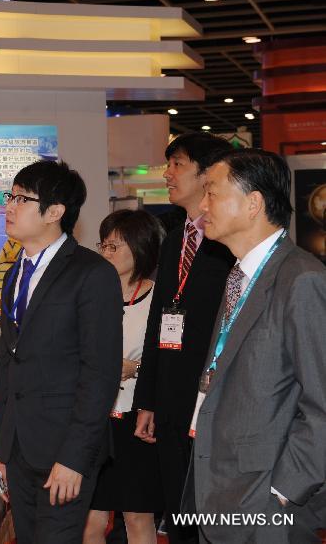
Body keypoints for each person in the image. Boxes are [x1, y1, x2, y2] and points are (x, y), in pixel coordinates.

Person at [185, 149, 326, 543]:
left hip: (266, 499)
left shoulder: (301, 280)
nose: (202, 205)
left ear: (253, 203)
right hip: (221, 486)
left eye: (212, 193)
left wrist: (281, 493)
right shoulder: (239, 276)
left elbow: (323, 405)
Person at [0, 160, 122, 543]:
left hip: (65, 450)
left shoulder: (92, 273)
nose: (10, 206)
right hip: (19, 450)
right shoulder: (15, 272)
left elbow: (99, 373)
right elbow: (7, 361)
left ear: (55, 212)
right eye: (9, 196)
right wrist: (0, 448)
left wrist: (75, 458)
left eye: (22, 198)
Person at [131, 133, 234, 544]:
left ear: (208, 174)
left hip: (212, 400)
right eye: (168, 164)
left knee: (216, 515)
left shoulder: (228, 241)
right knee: (178, 514)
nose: (167, 174)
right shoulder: (175, 239)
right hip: (172, 398)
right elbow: (160, 319)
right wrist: (148, 401)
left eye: (178, 165)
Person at [84, 210, 166, 544]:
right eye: (103, 246)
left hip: (136, 422)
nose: (106, 254)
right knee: (90, 522)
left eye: (114, 246)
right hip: (94, 420)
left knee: (137, 517)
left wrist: (135, 369)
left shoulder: (160, 298)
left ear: (139, 247)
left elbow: (171, 361)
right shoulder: (89, 296)